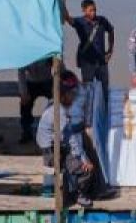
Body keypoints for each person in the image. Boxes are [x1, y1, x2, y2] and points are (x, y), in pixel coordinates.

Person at [36, 70, 115, 207]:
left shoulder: (57, 104)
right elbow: (72, 139)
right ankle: (79, 193)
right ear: (64, 95)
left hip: (58, 141)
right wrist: (84, 159)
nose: (75, 97)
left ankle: (97, 189)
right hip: (53, 149)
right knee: (86, 168)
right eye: (72, 94)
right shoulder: (58, 112)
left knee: (87, 141)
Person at [63, 0, 114, 90]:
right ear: (84, 10)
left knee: (105, 88)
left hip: (102, 61)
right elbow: (67, 18)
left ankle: (105, 104)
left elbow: (111, 31)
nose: (93, 12)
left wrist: (110, 50)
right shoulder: (79, 22)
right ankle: (88, 104)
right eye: (90, 10)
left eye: (94, 10)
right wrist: (63, 1)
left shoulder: (102, 20)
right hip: (87, 62)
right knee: (87, 89)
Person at [17, 56, 55, 143]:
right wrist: (23, 92)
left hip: (47, 81)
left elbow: (59, 67)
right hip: (31, 82)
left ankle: (56, 130)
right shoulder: (26, 53)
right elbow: (21, 72)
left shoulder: (48, 49)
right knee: (25, 105)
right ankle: (26, 131)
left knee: (58, 103)